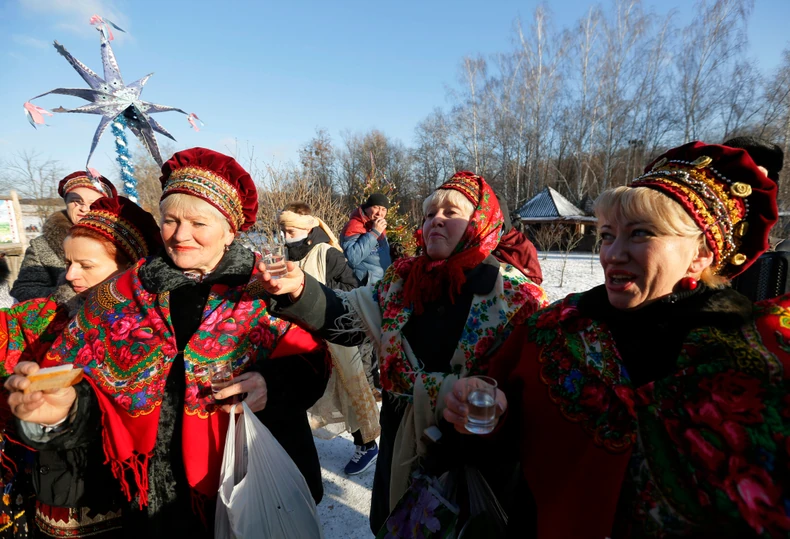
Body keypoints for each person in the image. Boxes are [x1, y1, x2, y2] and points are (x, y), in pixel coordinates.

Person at [444, 142, 790, 538]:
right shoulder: (551, 331)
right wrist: (484, 411)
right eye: (607, 235)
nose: (613, 254)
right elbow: (497, 441)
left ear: (701, 254)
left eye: (641, 234)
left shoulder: (756, 353)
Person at [5, 148, 329, 538]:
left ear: (230, 229)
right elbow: (94, 392)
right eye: (170, 221)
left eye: (198, 222)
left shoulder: (267, 284)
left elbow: (313, 363)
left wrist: (270, 385)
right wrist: (63, 411)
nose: (180, 234)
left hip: (251, 485)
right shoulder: (118, 295)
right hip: (150, 503)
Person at [258, 171, 548, 533]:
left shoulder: (515, 298)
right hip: (400, 449)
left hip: (473, 463)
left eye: (451, 212)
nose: (436, 220)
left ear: (482, 222)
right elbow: (347, 319)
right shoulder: (401, 280)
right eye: (429, 214)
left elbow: (533, 398)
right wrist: (299, 289)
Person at [0, 196, 161, 538]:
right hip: (51, 493)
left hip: (121, 498)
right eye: (69, 262)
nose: (70, 274)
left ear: (128, 268)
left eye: (86, 265)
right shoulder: (48, 315)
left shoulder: (153, 332)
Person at [278, 204, 381, 475]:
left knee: (349, 390)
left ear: (308, 229)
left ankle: (367, 444)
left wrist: (320, 297)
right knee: (307, 391)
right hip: (300, 337)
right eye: (284, 231)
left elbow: (352, 288)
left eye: (291, 230)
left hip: (332, 334)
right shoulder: (286, 254)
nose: (286, 236)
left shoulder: (328, 253)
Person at [11, 172, 117, 302]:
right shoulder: (42, 246)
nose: (84, 208)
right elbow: (24, 290)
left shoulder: (123, 241)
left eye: (94, 203)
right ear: (66, 202)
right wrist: (69, 294)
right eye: (76, 201)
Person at [340, 193, 392, 286]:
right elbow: (352, 258)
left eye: (384, 209)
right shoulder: (354, 225)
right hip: (364, 287)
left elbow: (376, 253)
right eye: (376, 207)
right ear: (367, 208)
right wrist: (374, 233)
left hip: (382, 283)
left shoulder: (378, 225)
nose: (379, 213)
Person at [494, 192, 543, 285]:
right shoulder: (479, 244)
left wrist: (508, 278)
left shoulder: (522, 245)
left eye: (496, 225)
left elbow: (535, 280)